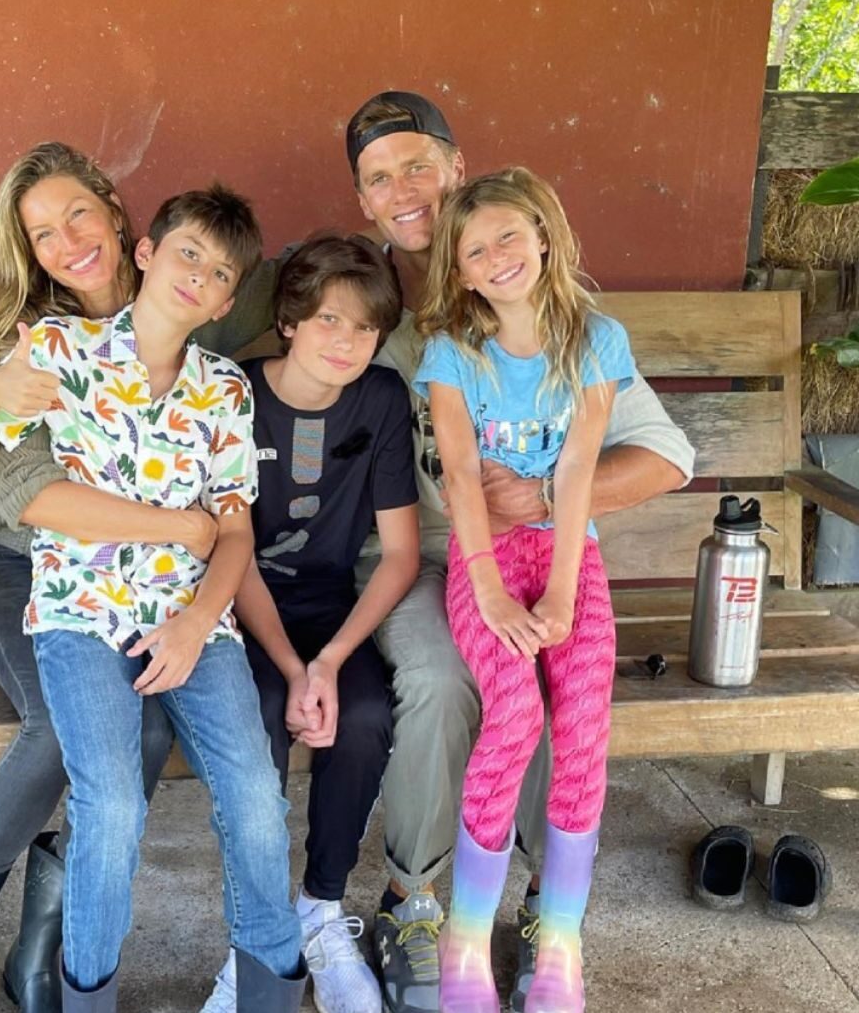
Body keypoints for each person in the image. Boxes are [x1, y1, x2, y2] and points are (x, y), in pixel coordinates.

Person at [207, 92, 695, 1013]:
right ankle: (413, 900)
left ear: (457, 166)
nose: (402, 190)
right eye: (377, 177)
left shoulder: (540, 304)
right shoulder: (362, 305)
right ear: (361, 200)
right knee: (440, 679)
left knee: (559, 677)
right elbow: (219, 333)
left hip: (535, 552)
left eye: (416, 165)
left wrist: (549, 497)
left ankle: (552, 909)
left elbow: (666, 456)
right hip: (404, 559)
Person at [0, 185, 306, 1011]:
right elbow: (20, 486)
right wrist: (174, 526)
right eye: (186, 252)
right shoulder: (60, 349)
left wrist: (199, 623)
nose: (196, 275)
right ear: (146, 254)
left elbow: (232, 532)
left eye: (218, 272)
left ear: (229, 301)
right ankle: (86, 993)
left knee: (257, 798)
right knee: (113, 805)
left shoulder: (226, 391)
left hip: (192, 621)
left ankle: (268, 991)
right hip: (79, 615)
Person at [0, 141, 194, 1013]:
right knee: (58, 730)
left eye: (78, 213)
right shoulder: (35, 346)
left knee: (145, 736)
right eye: (42, 233)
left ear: (115, 209)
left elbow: (259, 269)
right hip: (29, 573)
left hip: (143, 586)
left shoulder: (178, 299)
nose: (68, 240)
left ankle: (40, 950)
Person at [414, 167, 627, 1012]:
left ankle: (560, 945)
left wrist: (565, 593)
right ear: (459, 271)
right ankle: (466, 940)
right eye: (475, 248)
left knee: (581, 711)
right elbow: (461, 476)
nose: (497, 255)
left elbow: (577, 469)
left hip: (569, 551)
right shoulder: (450, 354)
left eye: (510, 234)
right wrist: (493, 591)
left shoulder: (597, 342)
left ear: (545, 236)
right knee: (514, 708)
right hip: (484, 560)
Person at [199, 235, 419, 1013]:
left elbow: (397, 555)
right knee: (256, 716)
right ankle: (255, 936)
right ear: (289, 319)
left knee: (361, 714)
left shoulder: (382, 398)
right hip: (237, 608)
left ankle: (319, 910)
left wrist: (326, 662)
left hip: (331, 609)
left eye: (364, 328)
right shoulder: (230, 393)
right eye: (328, 318)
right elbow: (235, 552)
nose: (346, 342)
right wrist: (293, 669)